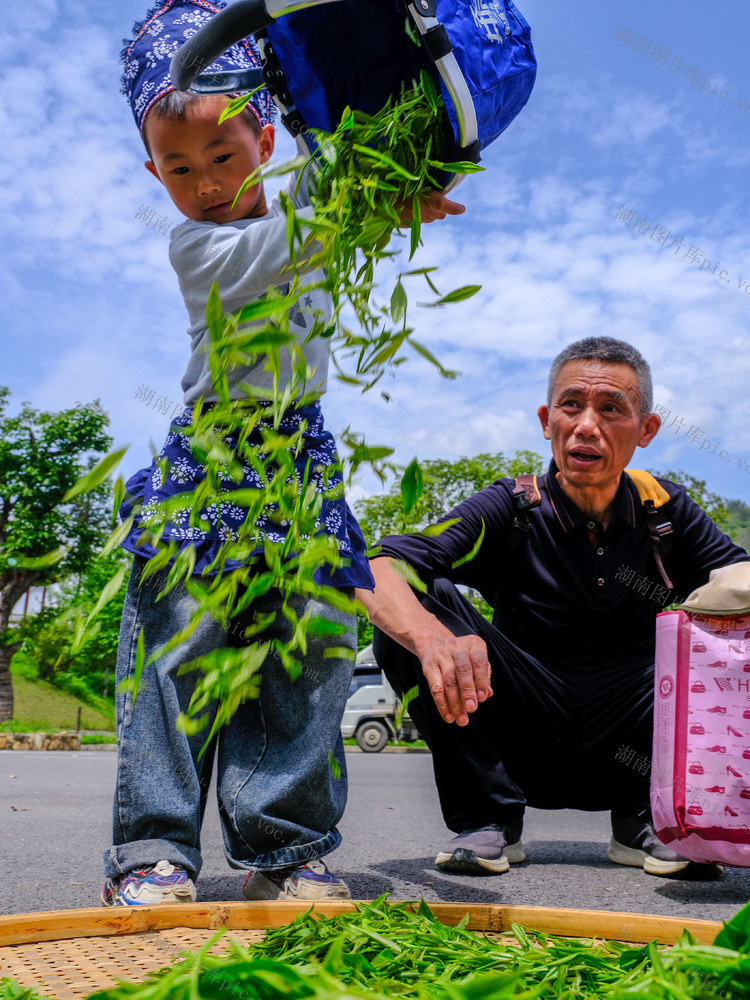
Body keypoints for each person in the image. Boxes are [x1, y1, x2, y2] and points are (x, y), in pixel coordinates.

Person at [105, 0, 464, 907]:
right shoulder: (200, 247)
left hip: (298, 461)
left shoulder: (311, 192)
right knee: (179, 649)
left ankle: (288, 847)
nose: (207, 181)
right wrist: (368, 203)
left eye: (223, 156)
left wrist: (398, 190)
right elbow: (297, 242)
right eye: (180, 169)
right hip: (213, 460)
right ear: (156, 174)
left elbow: (342, 195)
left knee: (307, 652)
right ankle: (154, 853)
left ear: (264, 139)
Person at [356, 336, 750, 878]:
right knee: (422, 601)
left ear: (646, 430)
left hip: (633, 748)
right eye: (572, 405)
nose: (587, 425)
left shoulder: (666, 511)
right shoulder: (511, 507)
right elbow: (378, 568)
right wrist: (431, 638)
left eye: (611, 408)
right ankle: (486, 816)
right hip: (519, 738)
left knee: (728, 627)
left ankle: (649, 819)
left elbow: (740, 579)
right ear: (547, 420)